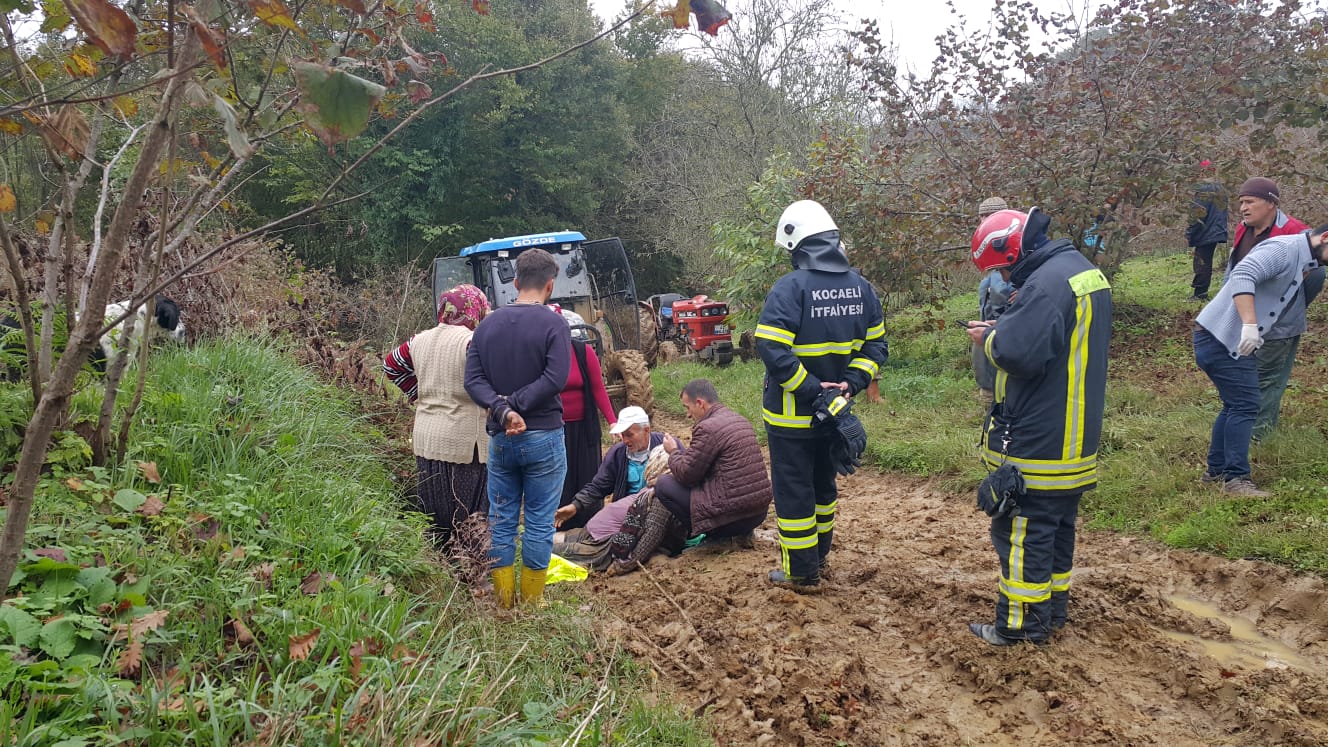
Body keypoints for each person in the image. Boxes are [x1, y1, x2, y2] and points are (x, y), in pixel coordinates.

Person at [964, 207, 1112, 645]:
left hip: (1040, 437)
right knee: (1056, 528)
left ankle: (1021, 628)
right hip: (1075, 433)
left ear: (1013, 249)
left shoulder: (1044, 285)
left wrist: (991, 337)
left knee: (1020, 531)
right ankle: (1052, 612)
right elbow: (1054, 337)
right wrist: (1009, 324)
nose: (1006, 279)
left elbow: (1019, 354)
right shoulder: (1082, 272)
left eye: (1004, 268)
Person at [756, 200, 888, 591]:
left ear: (797, 245)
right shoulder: (862, 287)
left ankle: (801, 572)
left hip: (791, 416)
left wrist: (812, 390)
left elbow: (772, 349)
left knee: (795, 493)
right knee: (824, 486)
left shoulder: (790, 287)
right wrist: (849, 384)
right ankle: (821, 556)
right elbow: (876, 349)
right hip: (835, 414)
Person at [464, 248, 571, 609]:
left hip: (500, 441)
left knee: (502, 520)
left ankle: (505, 601)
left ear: (515, 282)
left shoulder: (485, 325)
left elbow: (473, 380)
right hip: (543, 437)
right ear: (550, 285)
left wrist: (502, 410)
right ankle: (532, 602)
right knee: (540, 522)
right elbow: (555, 378)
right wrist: (518, 407)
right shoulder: (554, 324)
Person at [1194, 222, 1328, 496]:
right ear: (1325, 237)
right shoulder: (1284, 249)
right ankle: (1236, 479)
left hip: (1215, 336)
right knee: (1245, 404)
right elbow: (1242, 273)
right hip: (1219, 337)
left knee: (1235, 404)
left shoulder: (1305, 259)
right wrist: (1249, 324)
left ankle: (1216, 471)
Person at [383, 284, 491, 553]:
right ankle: (472, 568)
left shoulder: (418, 340)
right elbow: (488, 381)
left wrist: (417, 392)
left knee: (436, 509)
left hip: (427, 438)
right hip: (465, 442)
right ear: (476, 309)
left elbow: (391, 364)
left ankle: (441, 565)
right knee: (469, 514)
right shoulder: (472, 342)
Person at [1228, 178, 1323, 439]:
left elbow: (1316, 275)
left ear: (1271, 203)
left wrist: (1289, 308)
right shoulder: (1243, 229)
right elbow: (1236, 271)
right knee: (1246, 376)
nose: (1243, 208)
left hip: (1278, 325)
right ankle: (1248, 427)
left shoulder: (1297, 232)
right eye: (1241, 203)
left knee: (1268, 380)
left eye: (1250, 202)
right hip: (1246, 318)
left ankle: (1259, 436)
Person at [553, 445, 672, 572]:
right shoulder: (655, 490)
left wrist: (622, 565)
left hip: (603, 543)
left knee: (548, 551)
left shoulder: (661, 498)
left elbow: (650, 538)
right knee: (551, 541)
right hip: (596, 533)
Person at [549, 304, 617, 523]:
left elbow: (598, 389)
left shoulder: (582, 351)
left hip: (584, 427)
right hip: (554, 429)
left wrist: (613, 421)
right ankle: (560, 522)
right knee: (561, 479)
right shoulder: (538, 356)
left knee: (588, 475)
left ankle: (590, 522)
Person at [554, 405, 664, 530]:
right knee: (596, 528)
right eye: (623, 435)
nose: (625, 440)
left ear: (646, 430)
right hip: (627, 513)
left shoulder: (665, 447)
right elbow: (599, 486)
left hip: (657, 513)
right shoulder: (618, 453)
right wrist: (575, 506)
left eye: (630, 435)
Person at [974, 197, 1014, 408]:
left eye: (989, 217)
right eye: (982, 218)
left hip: (1008, 332)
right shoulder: (989, 259)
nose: (984, 223)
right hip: (987, 331)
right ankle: (989, 398)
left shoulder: (1015, 255)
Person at [1185, 161, 1229, 302]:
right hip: (1216, 231)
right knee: (1206, 261)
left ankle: (1200, 294)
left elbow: (1198, 213)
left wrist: (1190, 232)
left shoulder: (1204, 189)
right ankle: (1201, 292)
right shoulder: (1220, 188)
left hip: (1206, 231)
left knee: (1201, 262)